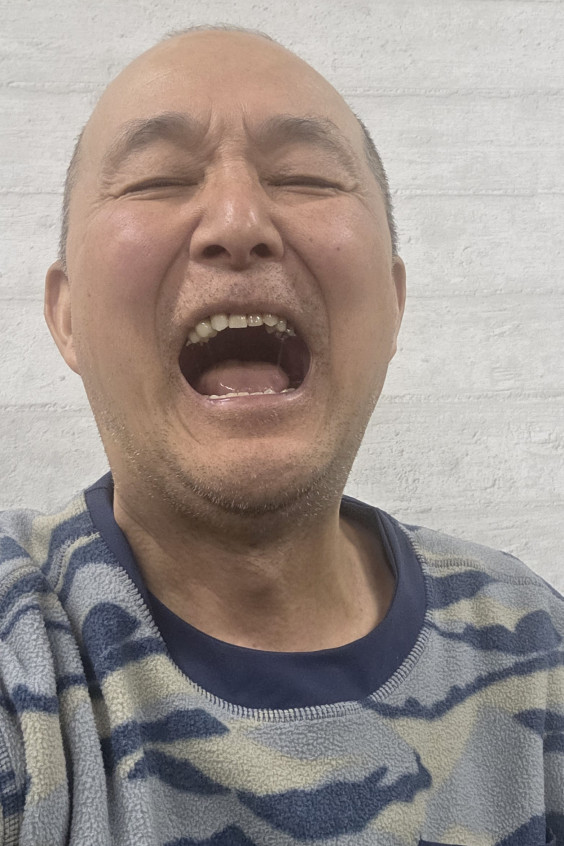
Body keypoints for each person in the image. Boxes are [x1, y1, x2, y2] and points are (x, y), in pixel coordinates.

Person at [0, 24, 562, 846]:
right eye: (157, 180)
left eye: (305, 177)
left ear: (394, 302)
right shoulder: (23, 652)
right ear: (66, 316)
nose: (237, 220)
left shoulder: (534, 642)